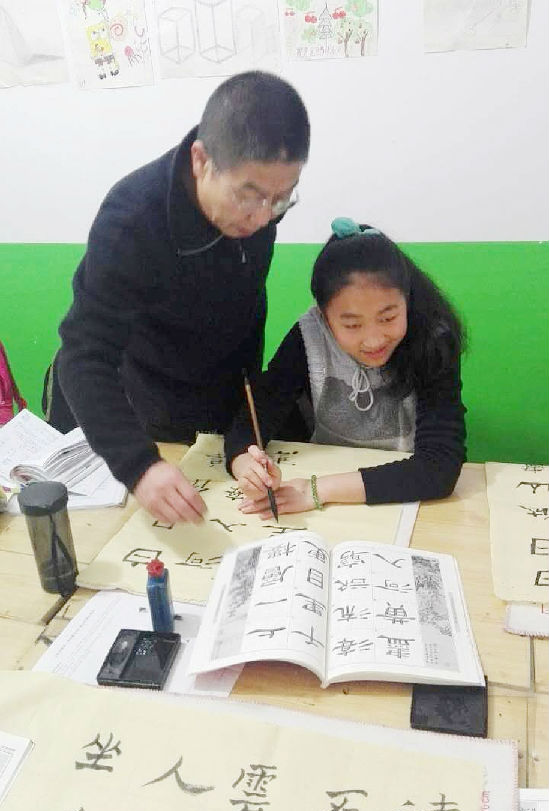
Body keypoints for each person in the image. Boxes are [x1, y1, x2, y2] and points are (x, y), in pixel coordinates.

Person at [43, 71, 310, 526]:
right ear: (201, 160)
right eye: (249, 196)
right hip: (151, 403)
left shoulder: (259, 207)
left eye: (281, 199)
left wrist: (243, 430)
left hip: (225, 395)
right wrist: (139, 466)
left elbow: (246, 300)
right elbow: (83, 356)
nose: (263, 218)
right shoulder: (132, 221)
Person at [225, 217, 466, 516]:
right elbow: (254, 416)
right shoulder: (309, 336)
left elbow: (439, 467)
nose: (374, 339)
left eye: (388, 318)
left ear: (406, 300)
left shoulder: (432, 340)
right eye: (352, 325)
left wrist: (315, 491)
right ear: (324, 317)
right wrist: (246, 466)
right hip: (334, 498)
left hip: (404, 498)